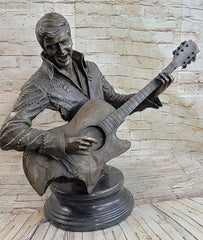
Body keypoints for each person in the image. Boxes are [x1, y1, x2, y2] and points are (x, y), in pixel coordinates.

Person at [0, 13, 173, 195]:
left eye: (64, 42)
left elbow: (113, 101)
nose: (61, 51)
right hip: (70, 160)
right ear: (43, 47)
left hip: (96, 153)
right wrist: (63, 143)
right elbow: (9, 133)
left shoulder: (92, 69)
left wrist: (149, 94)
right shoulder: (40, 85)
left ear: (71, 36)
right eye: (52, 46)